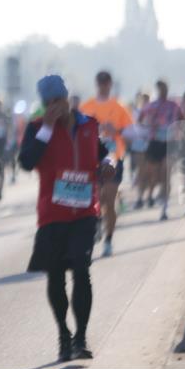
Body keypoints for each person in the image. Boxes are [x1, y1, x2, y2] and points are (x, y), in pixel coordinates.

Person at [19, 75, 115, 362]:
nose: (54, 107)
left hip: (85, 212)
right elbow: (26, 162)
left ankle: (81, 338)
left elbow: (103, 154)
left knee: (82, 270)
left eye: (58, 101)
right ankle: (63, 333)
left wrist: (108, 164)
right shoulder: (37, 129)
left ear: (66, 98)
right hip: (52, 215)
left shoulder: (88, 125)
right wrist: (47, 129)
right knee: (56, 277)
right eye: (48, 103)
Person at [80, 71, 133, 257]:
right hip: (92, 158)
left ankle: (109, 240)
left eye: (106, 83)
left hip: (114, 157)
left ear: (110, 84)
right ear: (97, 84)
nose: (103, 86)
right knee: (97, 198)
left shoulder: (119, 107)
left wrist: (116, 130)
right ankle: (97, 222)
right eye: (100, 82)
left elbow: (130, 132)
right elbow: (77, 130)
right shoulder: (86, 106)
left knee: (109, 200)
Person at [138, 80, 183, 220]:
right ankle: (152, 194)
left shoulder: (174, 105)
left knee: (166, 172)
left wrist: (178, 130)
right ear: (157, 90)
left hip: (169, 143)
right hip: (155, 142)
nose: (163, 91)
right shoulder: (151, 105)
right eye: (161, 89)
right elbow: (140, 119)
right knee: (155, 175)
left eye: (165, 89)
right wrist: (149, 125)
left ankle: (164, 207)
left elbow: (182, 119)